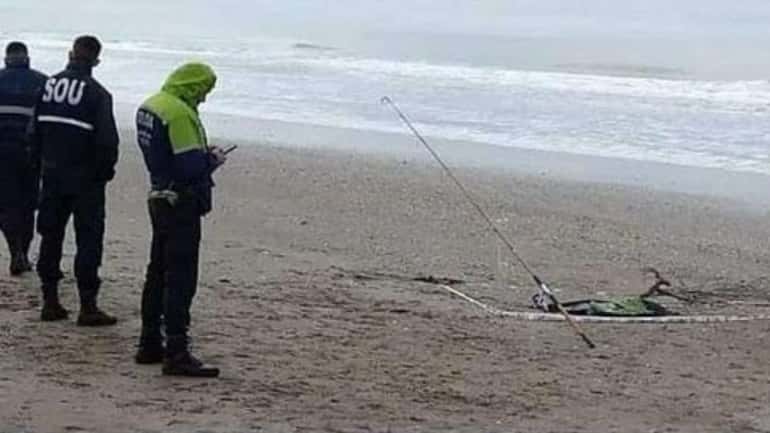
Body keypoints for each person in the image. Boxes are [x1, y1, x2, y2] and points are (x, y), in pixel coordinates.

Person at [134, 62, 225, 377]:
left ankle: (148, 342)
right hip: (181, 203)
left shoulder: (152, 105)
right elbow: (188, 168)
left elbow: (164, 155)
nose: (204, 98)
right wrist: (212, 159)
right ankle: (177, 350)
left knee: (156, 271)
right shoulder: (179, 113)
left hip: (158, 195)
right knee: (181, 277)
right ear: (192, 85)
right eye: (203, 91)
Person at [29, 35, 119, 325]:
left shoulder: (48, 86)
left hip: (52, 175)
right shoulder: (98, 94)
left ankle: (50, 300)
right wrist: (103, 174)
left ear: (70, 54)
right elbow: (107, 143)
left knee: (50, 236)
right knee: (89, 240)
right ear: (96, 61)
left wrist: (39, 166)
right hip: (85, 181)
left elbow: (33, 132)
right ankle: (88, 306)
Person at [0, 42, 47, 276]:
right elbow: (49, 120)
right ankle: (24, 254)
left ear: (6, 58)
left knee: (6, 204)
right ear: (27, 57)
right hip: (31, 152)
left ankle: (15, 251)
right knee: (28, 205)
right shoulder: (43, 81)